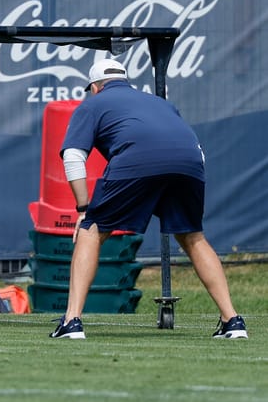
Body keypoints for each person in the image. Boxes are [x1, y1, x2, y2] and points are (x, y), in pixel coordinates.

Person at [51, 58, 247, 339]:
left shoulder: (92, 104)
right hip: (190, 162)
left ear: (95, 87)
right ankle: (233, 321)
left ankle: (71, 322)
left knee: (91, 231)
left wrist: (83, 208)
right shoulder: (160, 103)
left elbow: (73, 156)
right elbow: (196, 150)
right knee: (193, 237)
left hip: (138, 159)